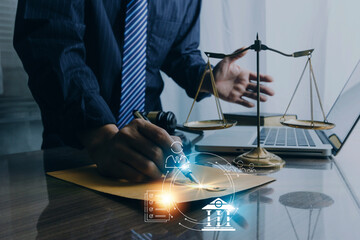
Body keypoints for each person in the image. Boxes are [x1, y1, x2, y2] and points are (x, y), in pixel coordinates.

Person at [14, 0, 274, 182]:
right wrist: (101, 137)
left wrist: (206, 78)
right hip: (77, 147)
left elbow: (180, 52)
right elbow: (50, 40)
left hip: (155, 150)